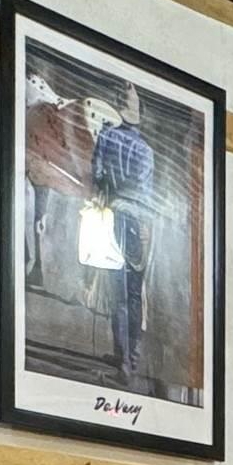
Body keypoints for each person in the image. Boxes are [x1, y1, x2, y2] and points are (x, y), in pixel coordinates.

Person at [83, 90, 156, 388]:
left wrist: (106, 189)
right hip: (137, 221)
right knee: (134, 293)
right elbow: (146, 192)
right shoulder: (147, 151)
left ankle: (123, 359)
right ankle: (130, 358)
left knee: (119, 293)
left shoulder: (107, 136)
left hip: (113, 215)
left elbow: (97, 173)